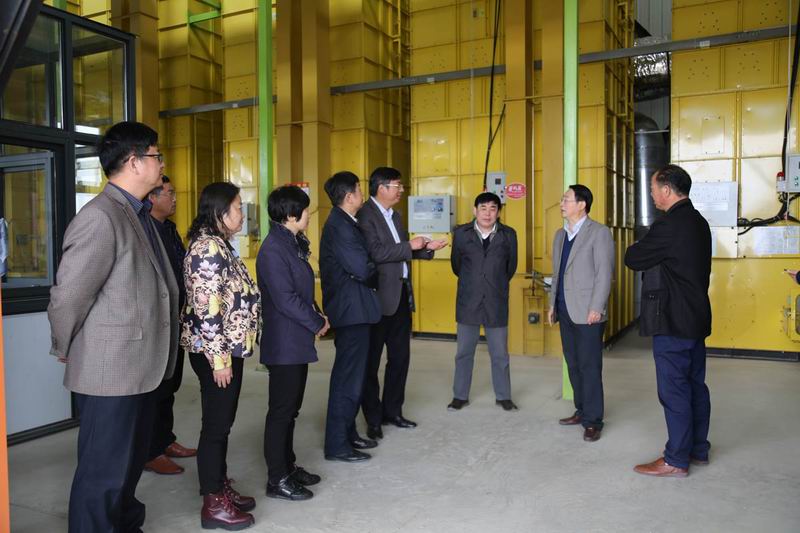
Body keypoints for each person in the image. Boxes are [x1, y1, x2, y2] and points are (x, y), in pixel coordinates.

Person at [47, 121, 179, 532]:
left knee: (127, 466)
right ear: (134, 162)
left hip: (141, 368)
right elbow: (69, 295)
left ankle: (123, 524)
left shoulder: (138, 214)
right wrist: (64, 344)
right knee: (103, 473)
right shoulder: (101, 218)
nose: (161, 164)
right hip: (111, 372)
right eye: (156, 156)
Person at [624, 164, 712, 477]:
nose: (651, 194)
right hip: (696, 318)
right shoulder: (699, 222)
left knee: (674, 390)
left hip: (673, 320)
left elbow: (633, 258)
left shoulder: (669, 224)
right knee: (695, 386)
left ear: (666, 189)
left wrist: (644, 245)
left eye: (652, 188)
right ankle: (698, 449)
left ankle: (676, 459)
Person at [182, 182, 260, 529]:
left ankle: (219, 484)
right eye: (239, 207)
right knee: (216, 426)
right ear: (220, 211)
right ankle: (213, 502)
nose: (242, 213)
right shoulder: (207, 248)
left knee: (222, 423)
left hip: (225, 349)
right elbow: (207, 309)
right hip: (217, 352)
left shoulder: (219, 243)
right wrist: (220, 360)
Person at [357, 166, 447, 440]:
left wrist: (425, 249)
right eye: (397, 186)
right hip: (377, 299)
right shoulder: (365, 215)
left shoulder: (394, 215)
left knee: (400, 359)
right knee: (370, 363)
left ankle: (393, 411)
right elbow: (376, 253)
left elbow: (399, 252)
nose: (401, 190)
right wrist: (411, 245)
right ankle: (373, 419)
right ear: (381, 188)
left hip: (400, 296)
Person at [257, 185, 329, 500]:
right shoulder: (273, 249)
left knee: (291, 410)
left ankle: (288, 466)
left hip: (296, 340)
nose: (309, 215)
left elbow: (303, 290)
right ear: (290, 214)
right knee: (282, 411)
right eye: (305, 210)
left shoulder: (292, 243)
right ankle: (277, 479)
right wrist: (316, 322)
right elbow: (285, 299)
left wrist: (318, 314)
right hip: (284, 342)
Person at [320, 171, 382, 462]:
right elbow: (362, 267)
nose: (362, 194)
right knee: (347, 379)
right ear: (349, 197)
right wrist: (374, 269)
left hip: (357, 309)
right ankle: (337, 445)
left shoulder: (346, 222)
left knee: (355, 378)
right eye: (359, 190)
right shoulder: (339, 226)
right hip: (351, 311)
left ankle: (348, 433)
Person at [547, 184, 614, 442]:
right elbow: (557, 273)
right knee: (573, 364)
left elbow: (604, 274)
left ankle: (593, 420)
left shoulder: (599, 233)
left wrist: (597, 307)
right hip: (565, 309)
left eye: (566, 199)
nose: (562, 204)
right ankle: (581, 410)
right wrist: (552, 304)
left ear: (582, 204)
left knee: (589, 366)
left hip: (588, 312)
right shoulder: (560, 235)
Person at [144, 175, 197, 475]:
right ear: (152, 197)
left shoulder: (170, 228)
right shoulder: (145, 230)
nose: (175, 198)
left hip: (177, 318)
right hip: (157, 321)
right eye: (169, 193)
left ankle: (166, 440)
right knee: (156, 388)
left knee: (171, 384)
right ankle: (151, 451)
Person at [448, 192, 518, 411]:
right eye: (483, 208)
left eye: (493, 208)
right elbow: (456, 266)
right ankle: (460, 396)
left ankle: (504, 396)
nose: (488, 213)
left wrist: (493, 283)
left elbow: (510, 267)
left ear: (499, 212)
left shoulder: (509, 235)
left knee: (500, 353)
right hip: (468, 301)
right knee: (464, 353)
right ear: (475, 210)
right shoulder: (461, 234)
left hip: (496, 301)